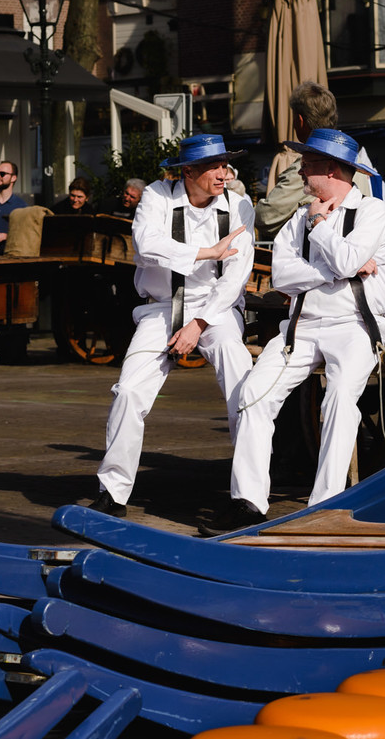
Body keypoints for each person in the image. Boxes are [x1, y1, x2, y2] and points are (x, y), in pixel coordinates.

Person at [201, 128, 385, 535]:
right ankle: (249, 503)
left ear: (333, 169)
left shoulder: (372, 212)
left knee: (340, 402)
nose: (300, 170)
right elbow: (283, 275)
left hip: (355, 326)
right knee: (253, 396)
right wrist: (333, 270)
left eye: (307, 164)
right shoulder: (296, 219)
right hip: (301, 328)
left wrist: (323, 226)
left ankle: (323, 507)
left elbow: (346, 260)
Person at [89, 135, 255, 518]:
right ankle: (112, 494)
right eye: (214, 166)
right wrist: (205, 252)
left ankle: (247, 496)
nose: (223, 173)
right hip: (161, 307)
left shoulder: (239, 205)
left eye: (225, 164)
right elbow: (146, 245)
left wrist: (198, 323)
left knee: (243, 386)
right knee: (129, 391)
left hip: (216, 308)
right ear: (189, 172)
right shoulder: (157, 196)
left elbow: (236, 275)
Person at [255, 81, 376, 241]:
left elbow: (266, 217)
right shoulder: (354, 158)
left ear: (300, 120)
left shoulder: (310, 166)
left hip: (319, 252)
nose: (301, 171)